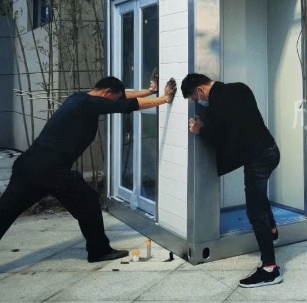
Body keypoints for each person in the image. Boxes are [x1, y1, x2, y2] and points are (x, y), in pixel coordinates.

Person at [0, 75, 177, 262]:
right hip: (51, 168)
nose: (114, 102)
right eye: (114, 98)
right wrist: (164, 99)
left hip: (28, 164)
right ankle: (99, 251)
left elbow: (123, 98)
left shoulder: (79, 98)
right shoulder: (90, 104)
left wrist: (149, 92)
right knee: (89, 201)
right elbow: (126, 105)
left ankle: (99, 249)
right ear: (106, 93)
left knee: (6, 211)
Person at [181, 73, 282, 288]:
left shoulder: (216, 105)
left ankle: (270, 269)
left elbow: (219, 138)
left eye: (195, 98)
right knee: (258, 194)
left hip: (257, 159)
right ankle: (272, 230)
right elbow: (239, 123)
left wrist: (200, 129)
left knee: (255, 212)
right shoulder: (240, 87)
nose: (198, 101)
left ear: (200, 90)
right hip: (271, 151)